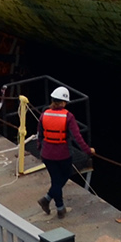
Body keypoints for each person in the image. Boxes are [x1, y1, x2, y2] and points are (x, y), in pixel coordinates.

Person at [35, 86, 90, 220]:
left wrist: (39, 147)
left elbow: (39, 134)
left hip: (47, 154)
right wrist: (88, 151)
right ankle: (58, 207)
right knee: (63, 177)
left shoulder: (44, 114)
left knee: (56, 180)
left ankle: (49, 201)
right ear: (64, 102)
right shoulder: (68, 117)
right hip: (63, 154)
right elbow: (77, 137)